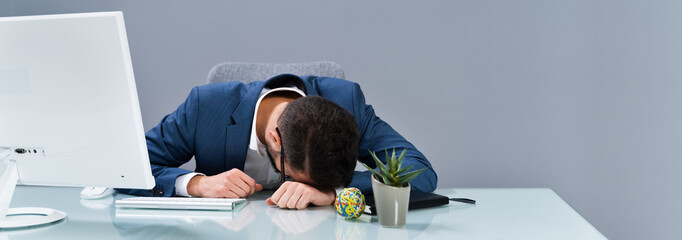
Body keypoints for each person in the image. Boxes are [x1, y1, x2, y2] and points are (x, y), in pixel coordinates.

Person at [118, 74, 437, 209]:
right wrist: (196, 184)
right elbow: (127, 167)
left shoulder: (347, 102)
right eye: (294, 174)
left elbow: (419, 172)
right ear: (275, 138)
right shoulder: (207, 106)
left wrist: (335, 191)